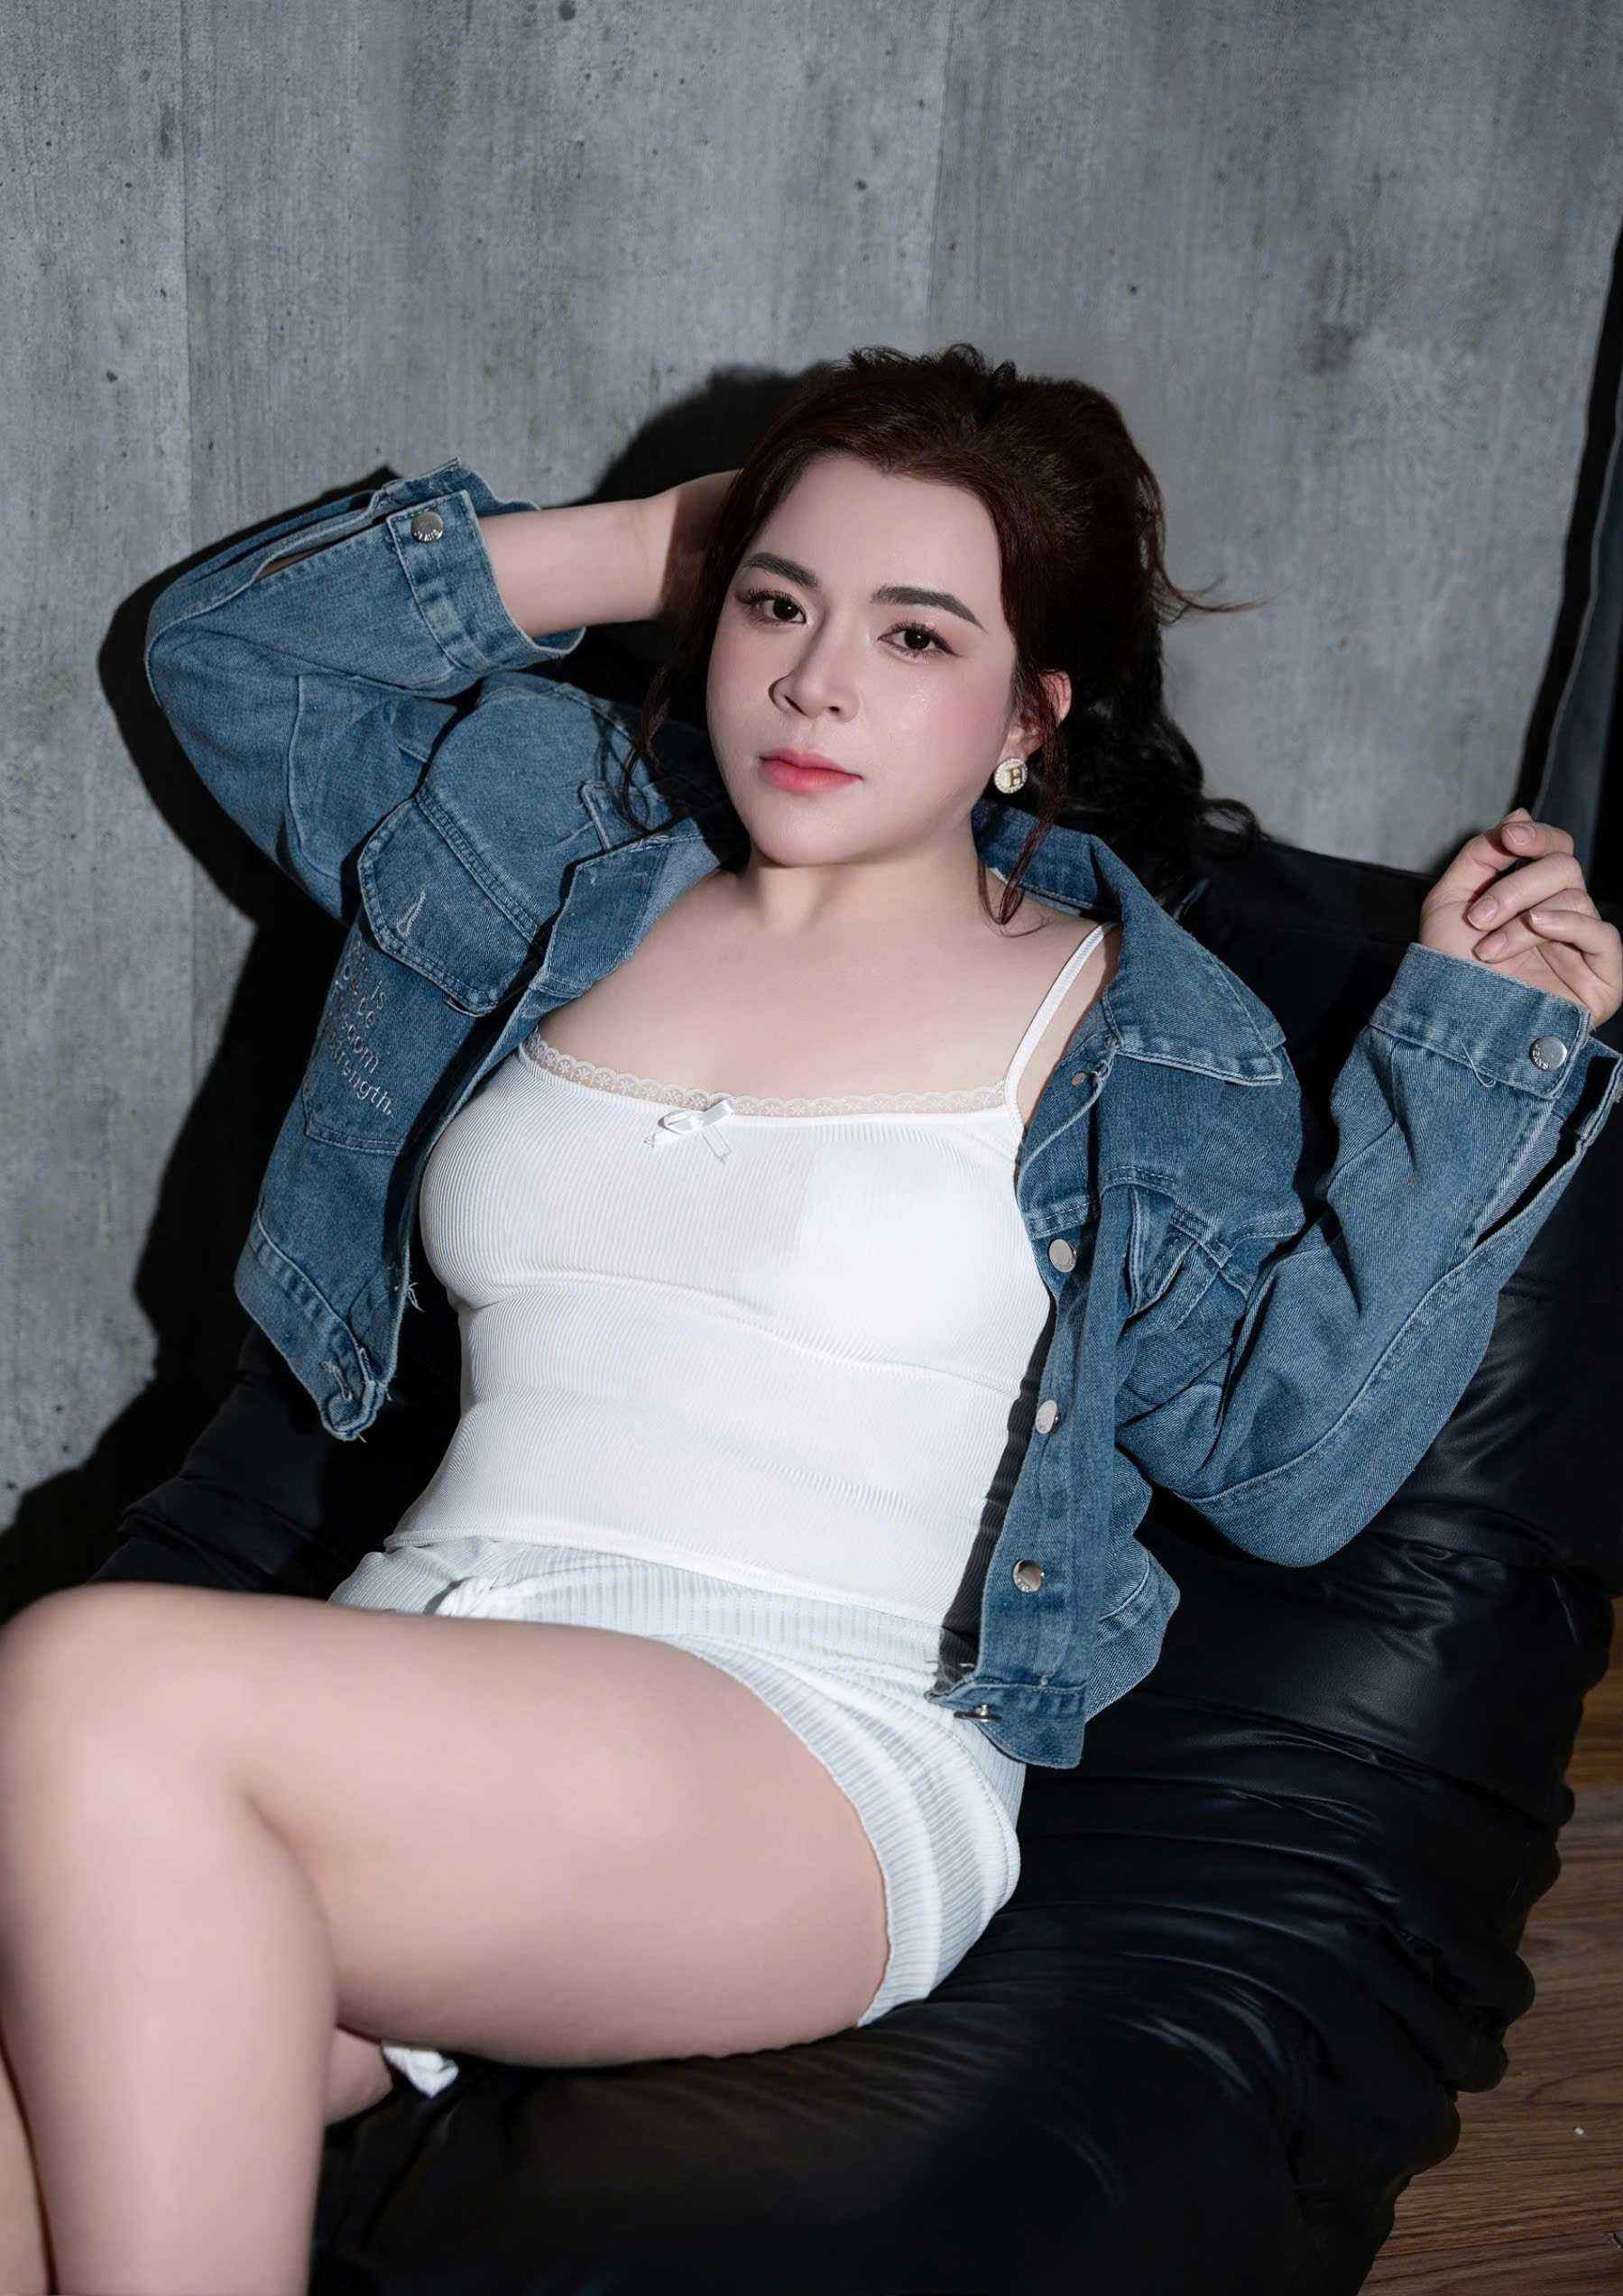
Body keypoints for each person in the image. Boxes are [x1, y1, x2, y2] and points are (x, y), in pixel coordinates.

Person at [0, 343, 1618, 2296]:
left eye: (915, 633)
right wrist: (665, 544)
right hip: (414, 1708)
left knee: (84, 1681)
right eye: (780, 606)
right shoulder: (550, 858)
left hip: (799, 1759)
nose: (816, 681)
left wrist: (1480, 1046)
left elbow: (1283, 1465)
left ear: (1032, 712)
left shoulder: (1136, 1033)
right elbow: (229, 655)